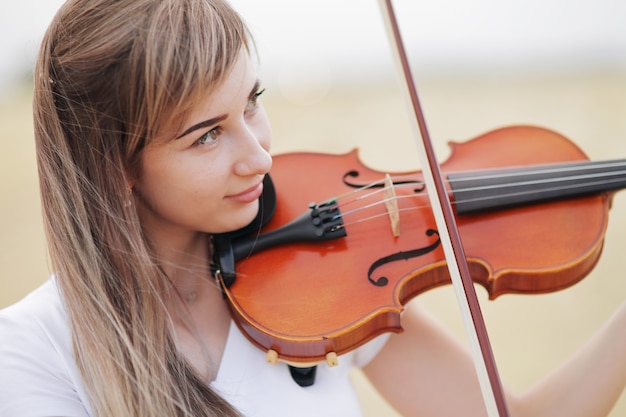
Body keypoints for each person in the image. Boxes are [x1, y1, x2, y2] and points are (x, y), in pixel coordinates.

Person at [0, 0, 624, 416]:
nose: (260, 158)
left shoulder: (327, 284)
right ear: (116, 168)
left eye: (252, 101)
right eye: (207, 135)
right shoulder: (34, 353)